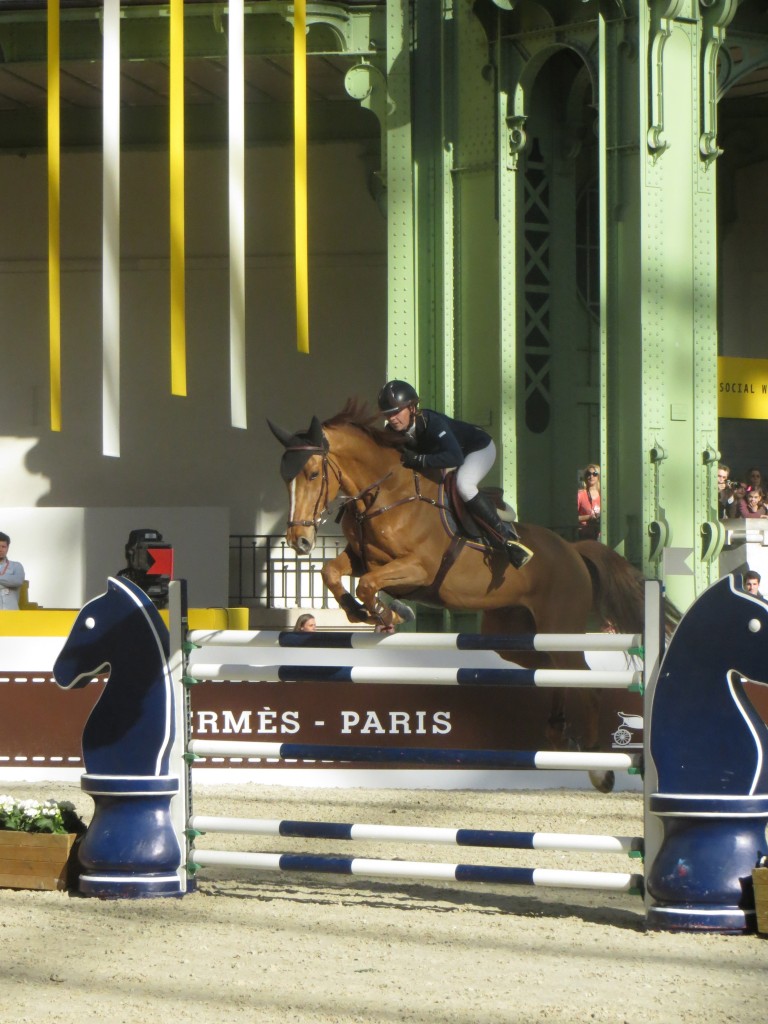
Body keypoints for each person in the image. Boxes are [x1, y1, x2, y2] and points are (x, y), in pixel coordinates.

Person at [377, 380, 533, 569]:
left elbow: (455, 457)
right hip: (448, 456)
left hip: (477, 449)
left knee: (464, 485)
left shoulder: (431, 422)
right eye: (388, 414)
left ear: (411, 407)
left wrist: (419, 460)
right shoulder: (392, 432)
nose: (392, 418)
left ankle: (507, 540)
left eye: (396, 411)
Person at [0, 532, 25, 610]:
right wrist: (7, 583)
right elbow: (12, 582)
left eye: (3, 546)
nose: (0, 549)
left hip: (12, 613)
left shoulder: (16, 566)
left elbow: (17, 581)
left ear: (7, 548)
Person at [577, 463, 602, 539]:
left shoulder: (604, 495)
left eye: (595, 474)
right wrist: (589, 517)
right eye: (588, 474)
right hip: (585, 535)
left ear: (599, 476)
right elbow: (572, 519)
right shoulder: (580, 495)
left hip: (600, 535)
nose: (591, 476)